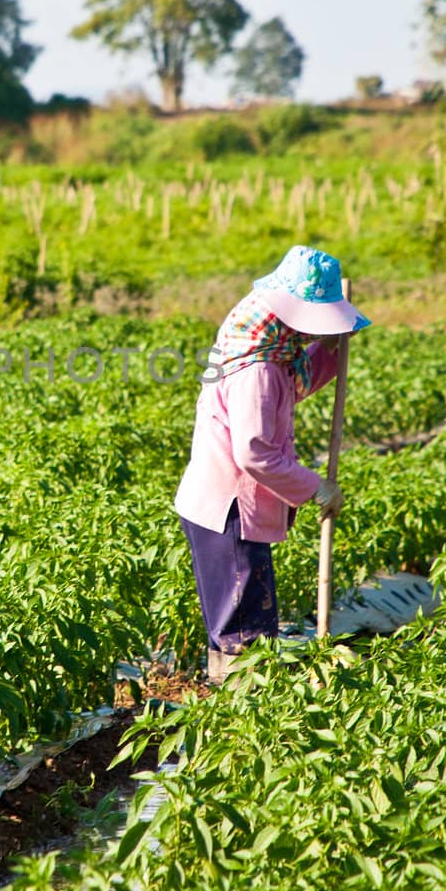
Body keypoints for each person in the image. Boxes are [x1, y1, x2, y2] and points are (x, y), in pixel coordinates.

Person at [173, 245, 370, 683]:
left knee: (236, 627)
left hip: (221, 509)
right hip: (229, 511)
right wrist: (315, 486)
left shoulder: (266, 352)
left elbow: (290, 386)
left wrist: (334, 352)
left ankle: (231, 703)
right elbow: (254, 452)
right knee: (245, 636)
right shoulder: (256, 369)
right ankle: (240, 717)